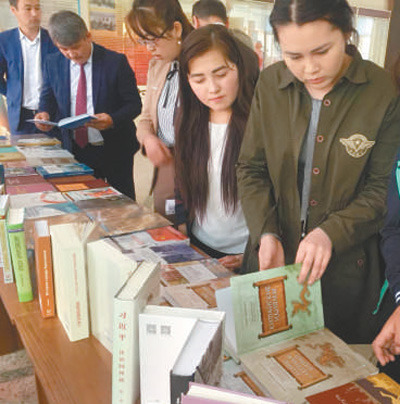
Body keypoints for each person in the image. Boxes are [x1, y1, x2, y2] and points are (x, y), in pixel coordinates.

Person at [236, 0, 400, 344]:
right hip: (273, 261)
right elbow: (251, 168)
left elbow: (380, 191)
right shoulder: (270, 84)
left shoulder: (381, 91)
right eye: (293, 56)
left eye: (322, 51)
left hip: (344, 271)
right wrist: (266, 232)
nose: (310, 68)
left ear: (346, 33)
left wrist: (330, 233)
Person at [175, 25, 259, 269]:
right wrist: (182, 228)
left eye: (221, 74)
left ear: (239, 67)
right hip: (199, 245)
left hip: (248, 253)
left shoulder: (261, 123)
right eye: (198, 79)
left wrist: (252, 256)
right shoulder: (188, 121)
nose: (212, 89)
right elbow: (181, 178)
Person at [34, 11, 141, 200]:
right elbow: (47, 95)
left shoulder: (115, 62)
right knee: (83, 202)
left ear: (88, 36)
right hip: (75, 149)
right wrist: (44, 113)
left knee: (123, 204)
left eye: (75, 47)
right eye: (63, 49)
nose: (71, 54)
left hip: (114, 147)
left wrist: (112, 119)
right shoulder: (53, 62)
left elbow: (134, 104)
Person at [126, 0, 193, 218]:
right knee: (168, 229)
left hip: (196, 167)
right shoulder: (158, 66)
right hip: (166, 164)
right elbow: (145, 117)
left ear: (176, 29)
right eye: (143, 41)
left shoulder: (199, 65)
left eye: (153, 39)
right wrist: (148, 139)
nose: (149, 48)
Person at [0, 0, 58, 135]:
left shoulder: (53, 39)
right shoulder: (4, 40)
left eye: (37, 8)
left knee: (55, 154)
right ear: (14, 10)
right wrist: (12, 93)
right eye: (28, 9)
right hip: (20, 118)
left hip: (51, 116)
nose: (34, 14)